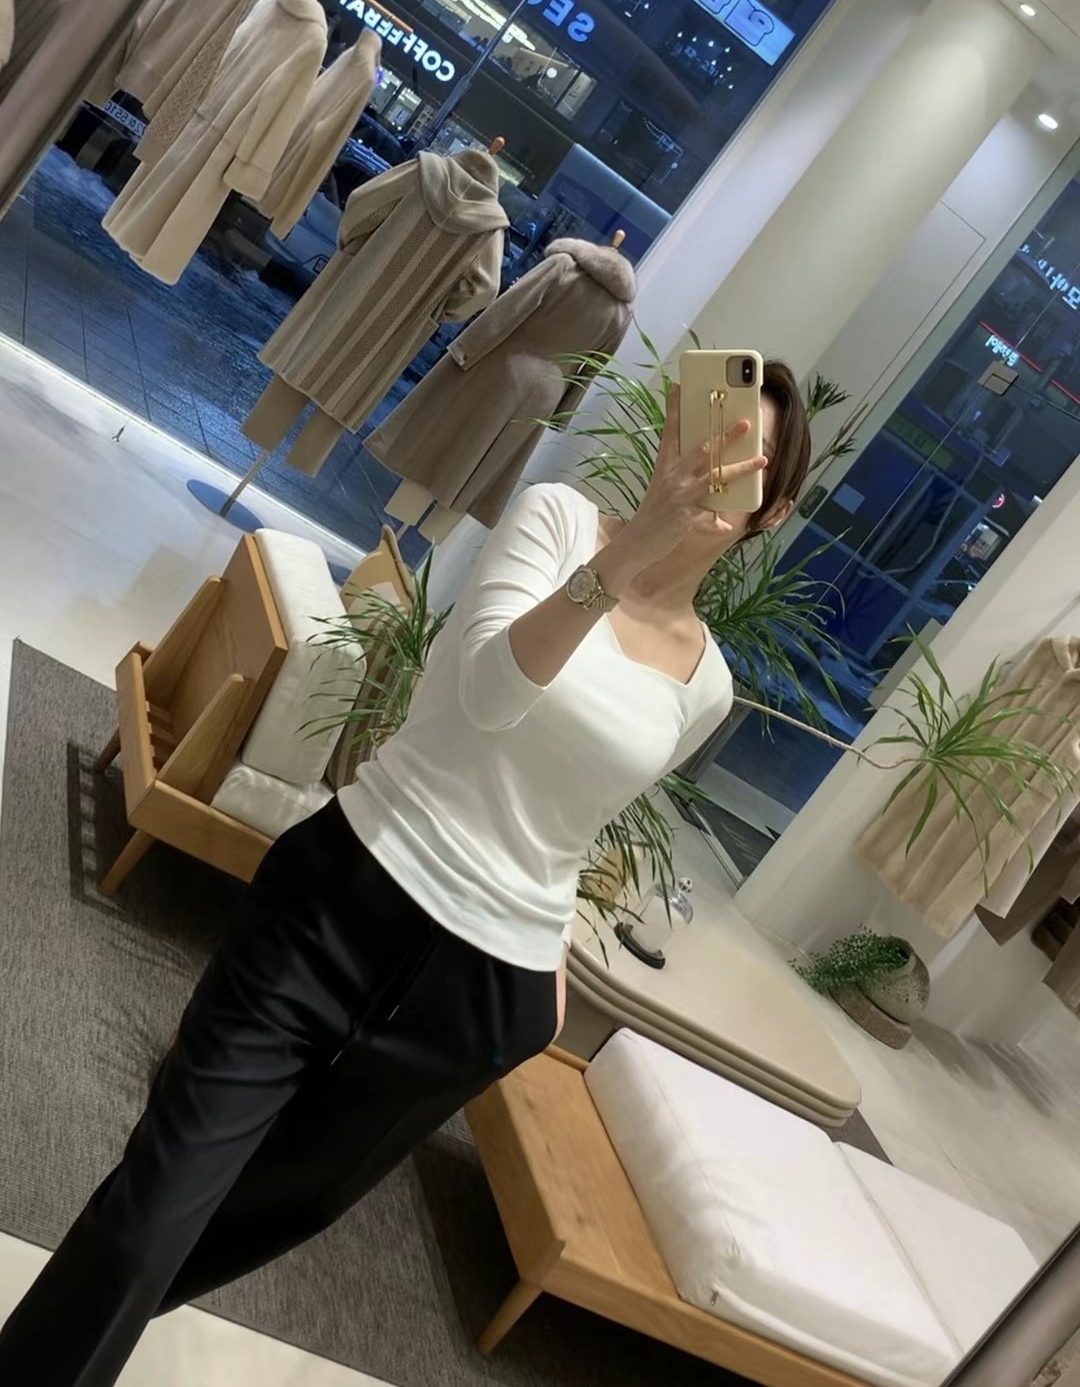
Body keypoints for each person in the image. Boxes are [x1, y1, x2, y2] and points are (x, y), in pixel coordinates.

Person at [0, 364, 811, 1384]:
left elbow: (572, 809)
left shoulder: (708, 684)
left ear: (771, 507)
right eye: (702, 425)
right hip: (347, 895)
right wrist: (623, 562)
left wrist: (551, 956)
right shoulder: (559, 522)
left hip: (486, 993)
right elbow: (483, 698)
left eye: (741, 454)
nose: (705, 459)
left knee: (277, 1211)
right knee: (146, 1224)